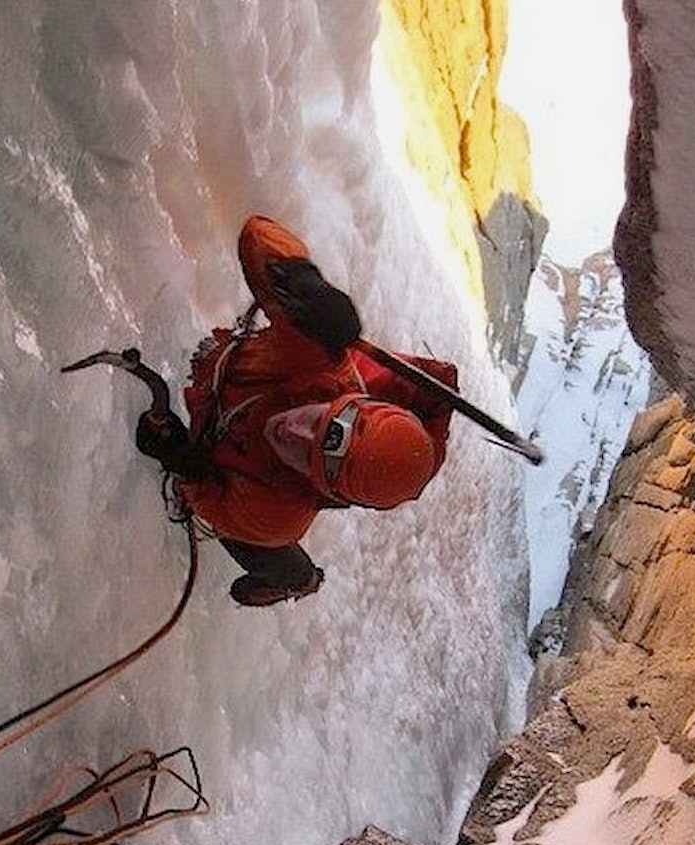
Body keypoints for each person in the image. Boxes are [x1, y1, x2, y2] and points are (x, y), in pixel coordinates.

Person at [136, 215, 458, 607]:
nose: (293, 433)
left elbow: (212, 504)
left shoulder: (277, 513)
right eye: (321, 422)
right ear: (344, 401)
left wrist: (184, 464)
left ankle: (296, 579)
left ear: (322, 487)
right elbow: (256, 235)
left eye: (309, 457)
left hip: (240, 463)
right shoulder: (312, 356)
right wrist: (299, 280)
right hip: (226, 380)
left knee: (259, 543)